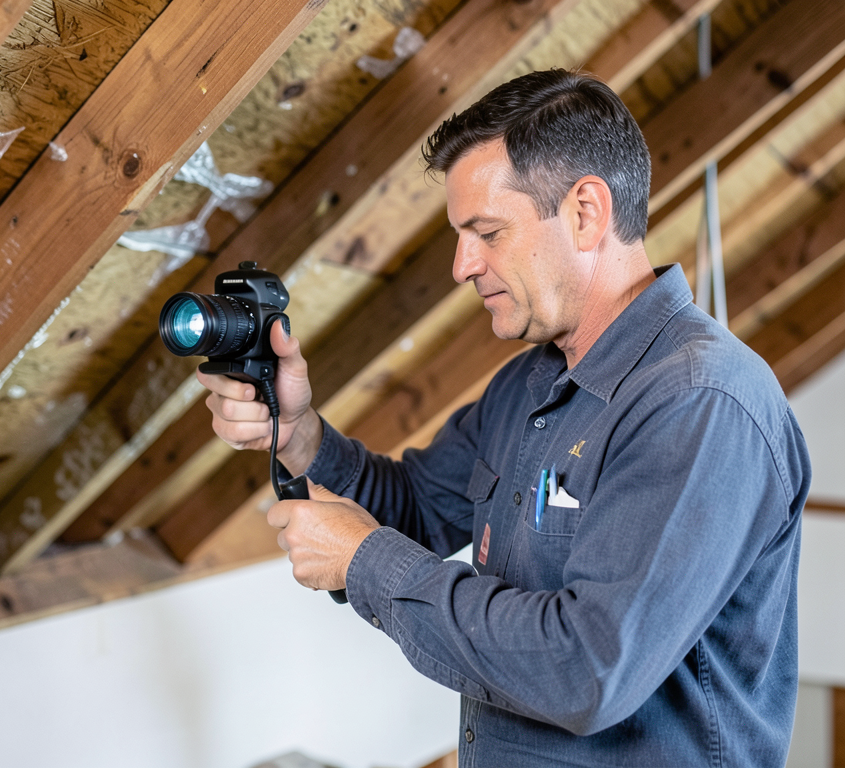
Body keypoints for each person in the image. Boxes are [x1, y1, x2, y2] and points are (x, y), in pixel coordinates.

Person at [196, 69, 811, 766]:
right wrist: (301, 435)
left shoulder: (701, 402)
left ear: (585, 212)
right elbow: (417, 509)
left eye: (487, 232)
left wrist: (364, 560)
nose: (462, 265)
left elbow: (587, 670)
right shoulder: (529, 384)